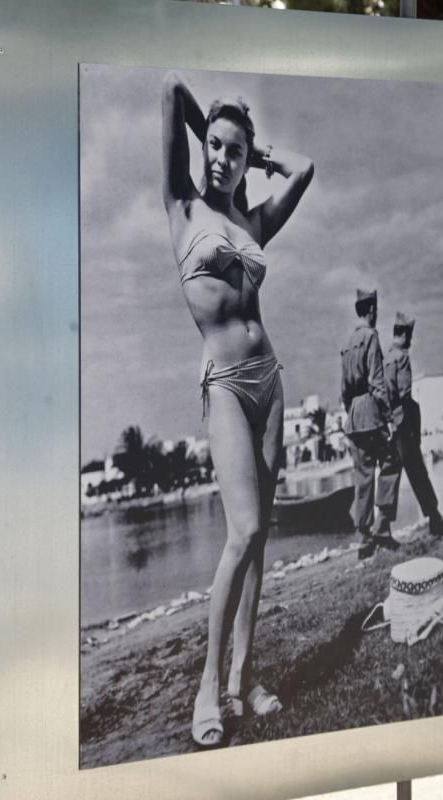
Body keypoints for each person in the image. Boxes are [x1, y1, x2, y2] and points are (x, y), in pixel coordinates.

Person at [161, 74, 314, 747]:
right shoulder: (181, 206)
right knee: (243, 529)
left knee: (262, 540)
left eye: (234, 152)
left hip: (269, 382)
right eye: (215, 148)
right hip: (223, 382)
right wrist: (213, 126)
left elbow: (306, 170)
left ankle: (243, 682)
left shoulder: (249, 222)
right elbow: (170, 88)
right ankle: (206, 688)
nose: (222, 159)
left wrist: (262, 154)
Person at [376, 312, 443, 537]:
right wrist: (414, 425)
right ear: (401, 334)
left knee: (391, 475)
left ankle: (383, 529)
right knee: (418, 473)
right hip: (404, 425)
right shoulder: (401, 357)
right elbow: (404, 394)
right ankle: (435, 519)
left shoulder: (386, 358)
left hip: (391, 424)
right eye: (409, 335)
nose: (410, 341)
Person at [340, 289, 398, 559]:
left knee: (362, 478)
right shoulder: (371, 337)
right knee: (391, 463)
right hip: (371, 415)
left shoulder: (349, 341)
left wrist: (351, 413)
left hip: (353, 417)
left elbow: (343, 390)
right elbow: (377, 383)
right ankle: (382, 529)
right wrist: (389, 418)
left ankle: (364, 539)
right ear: (372, 310)